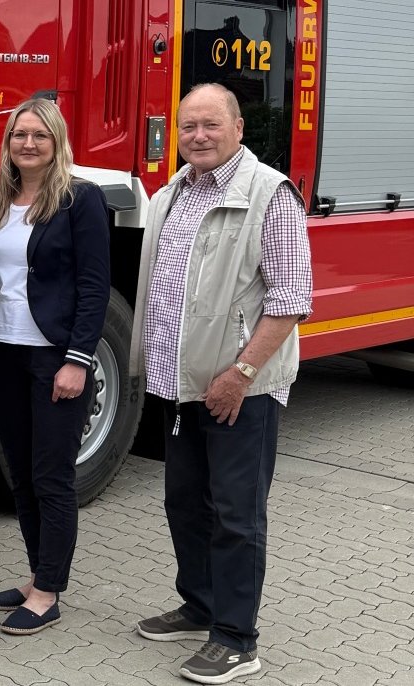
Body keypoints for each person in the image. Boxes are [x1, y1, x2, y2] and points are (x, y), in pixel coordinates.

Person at [129, 83, 312, 684]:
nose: (198, 136)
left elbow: (290, 299)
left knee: (237, 516)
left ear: (238, 128)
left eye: (211, 125)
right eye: (188, 126)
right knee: (185, 504)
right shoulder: (172, 193)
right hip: (180, 386)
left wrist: (242, 373)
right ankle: (200, 605)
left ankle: (236, 639)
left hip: (240, 390)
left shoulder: (269, 194)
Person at [0, 97, 111, 636]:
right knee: (20, 474)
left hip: (53, 355)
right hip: (2, 352)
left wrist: (78, 360)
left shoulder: (80, 199)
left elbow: (94, 286)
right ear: (8, 143)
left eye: (39, 135)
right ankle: (35, 576)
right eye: (19, 135)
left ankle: (49, 592)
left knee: (52, 476)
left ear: (56, 142)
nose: (28, 144)